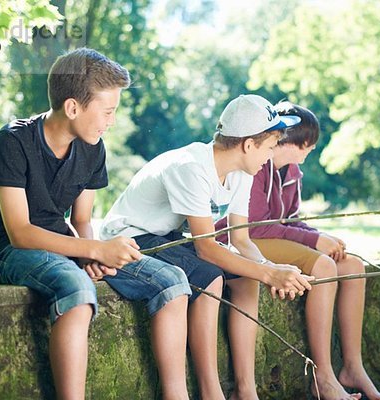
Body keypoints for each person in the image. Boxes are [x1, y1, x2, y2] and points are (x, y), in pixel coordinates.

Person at [0, 48, 191, 400]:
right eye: (108, 111)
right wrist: (92, 249)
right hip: (10, 249)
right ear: (73, 107)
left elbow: (82, 220)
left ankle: (175, 395)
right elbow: (20, 231)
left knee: (172, 280)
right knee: (76, 289)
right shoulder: (12, 143)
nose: (112, 121)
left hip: (64, 242)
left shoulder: (93, 148)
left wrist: (91, 254)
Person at [100, 94, 314, 399]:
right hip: (133, 237)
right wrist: (270, 274)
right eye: (269, 147)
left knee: (245, 278)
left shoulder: (242, 171)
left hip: (166, 238)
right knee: (211, 274)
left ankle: (245, 389)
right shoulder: (192, 167)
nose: (271, 156)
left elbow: (240, 239)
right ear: (248, 145)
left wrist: (269, 268)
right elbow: (207, 250)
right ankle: (211, 391)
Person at [216, 102, 380, 400]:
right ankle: (323, 375)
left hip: (267, 237)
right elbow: (255, 228)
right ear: (293, 141)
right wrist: (314, 243)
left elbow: (290, 220)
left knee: (352, 266)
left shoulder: (293, 173)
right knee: (323, 265)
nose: (309, 151)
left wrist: (319, 235)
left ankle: (352, 365)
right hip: (244, 240)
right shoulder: (257, 166)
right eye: (307, 145)